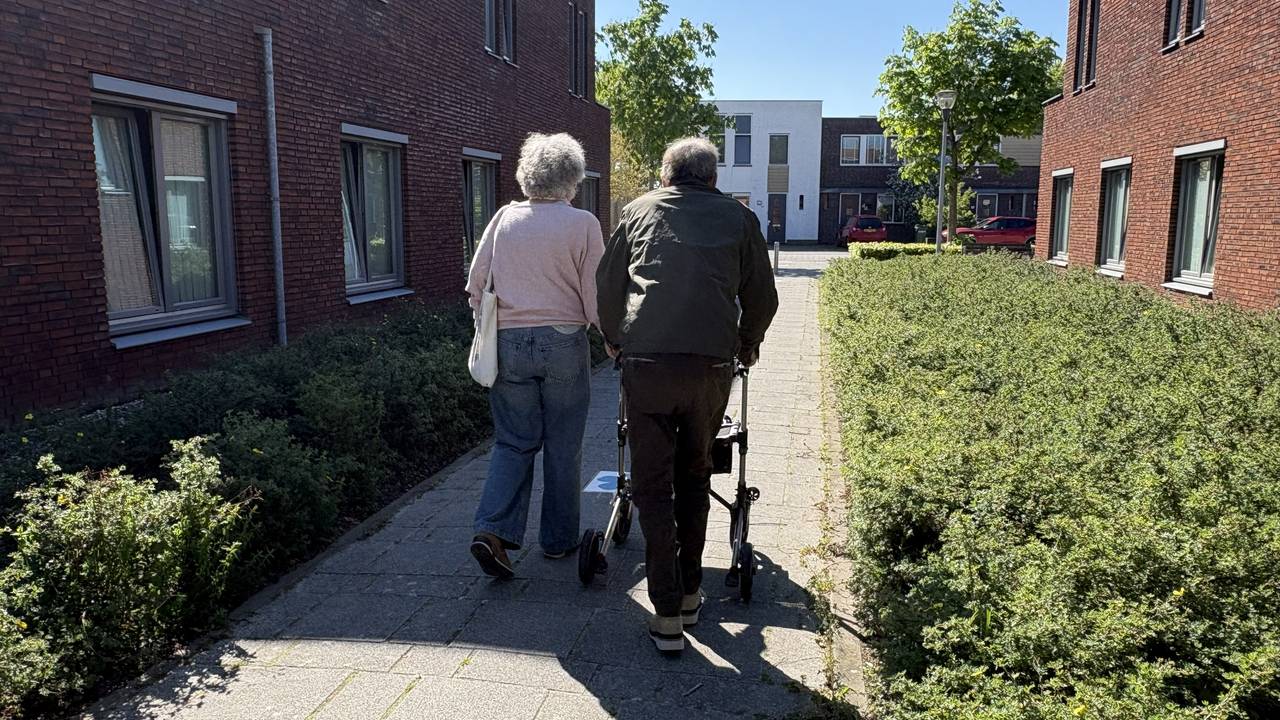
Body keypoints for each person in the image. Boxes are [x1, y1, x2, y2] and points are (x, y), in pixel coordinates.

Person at [596, 137, 779, 652]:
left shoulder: (636, 212)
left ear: (665, 175)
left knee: (652, 488)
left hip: (648, 364)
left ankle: (667, 612)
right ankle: (693, 590)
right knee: (695, 475)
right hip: (710, 367)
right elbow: (763, 297)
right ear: (713, 178)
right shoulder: (739, 220)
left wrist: (614, 339)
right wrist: (747, 345)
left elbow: (608, 286)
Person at [467, 133, 604, 579]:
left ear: (528, 175)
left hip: (508, 342)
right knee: (564, 445)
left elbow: (476, 284)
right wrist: (613, 338)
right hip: (564, 341)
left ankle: (492, 531)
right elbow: (595, 294)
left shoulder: (504, 218)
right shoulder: (583, 223)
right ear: (573, 179)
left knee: (513, 441)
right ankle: (559, 541)